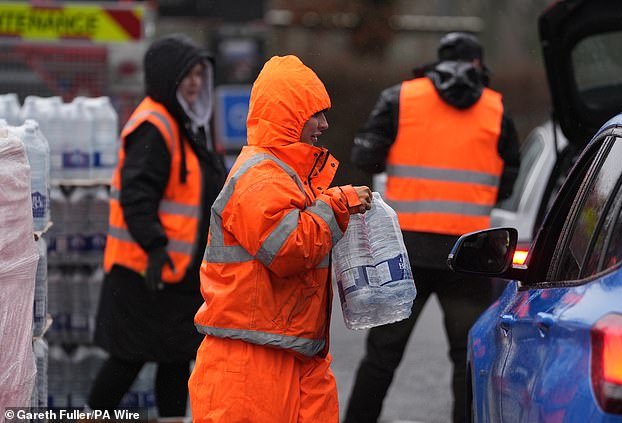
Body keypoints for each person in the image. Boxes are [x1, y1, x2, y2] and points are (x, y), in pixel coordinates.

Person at [344, 32, 521, 423]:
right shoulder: (496, 110)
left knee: (382, 355)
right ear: (478, 65)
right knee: (466, 358)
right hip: (467, 254)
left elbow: (365, 156)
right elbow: (508, 180)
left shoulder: (400, 98)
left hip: (406, 251)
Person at [188, 55, 373, 423]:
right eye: (314, 114)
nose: (324, 124)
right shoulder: (261, 176)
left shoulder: (282, 175)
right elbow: (290, 249)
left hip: (285, 354)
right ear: (288, 115)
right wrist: (338, 203)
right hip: (253, 365)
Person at [87, 34, 227, 417]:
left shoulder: (185, 124)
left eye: (200, 74)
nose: (195, 82)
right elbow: (136, 195)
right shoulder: (155, 124)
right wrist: (154, 245)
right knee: (128, 360)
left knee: (175, 358)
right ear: (167, 76)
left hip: (173, 272)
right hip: (145, 271)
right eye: (187, 74)